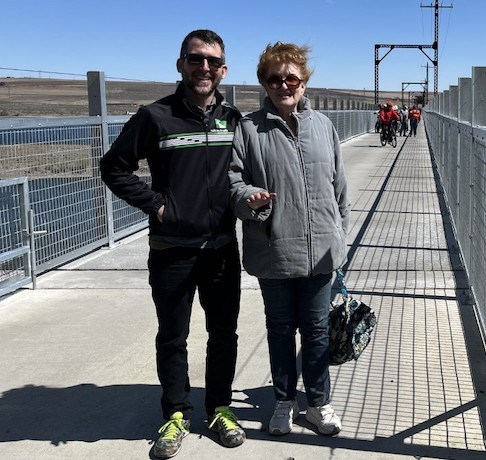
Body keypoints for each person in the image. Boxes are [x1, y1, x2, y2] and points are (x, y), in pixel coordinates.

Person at [99, 29, 245, 458]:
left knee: (223, 334)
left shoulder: (233, 119)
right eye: (196, 59)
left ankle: (220, 408)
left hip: (221, 248)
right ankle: (176, 413)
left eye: (213, 62)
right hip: (172, 249)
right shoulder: (155, 116)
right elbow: (114, 167)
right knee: (173, 336)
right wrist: (159, 207)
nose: (205, 68)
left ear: (224, 69)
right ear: (180, 63)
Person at [229, 41, 350, 438]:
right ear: (264, 83)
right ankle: (283, 401)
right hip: (274, 249)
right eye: (274, 78)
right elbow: (233, 182)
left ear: (303, 81)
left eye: (291, 78)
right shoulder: (248, 129)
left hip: (320, 254)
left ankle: (317, 404)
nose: (284, 85)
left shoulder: (324, 127)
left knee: (315, 331)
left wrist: (340, 237)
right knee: (281, 329)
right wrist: (250, 198)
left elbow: (340, 190)